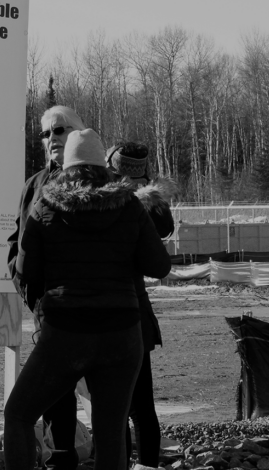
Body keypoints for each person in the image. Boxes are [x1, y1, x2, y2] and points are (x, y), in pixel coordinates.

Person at [4, 129, 172, 470]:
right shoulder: (130, 206)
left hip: (65, 334)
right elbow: (159, 266)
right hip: (122, 335)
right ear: (104, 165)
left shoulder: (45, 206)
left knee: (18, 415)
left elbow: (26, 270)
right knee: (112, 431)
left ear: (66, 166)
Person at [7, 105, 86, 469]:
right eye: (45, 133)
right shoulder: (35, 184)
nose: (51, 138)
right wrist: (26, 287)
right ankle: (61, 457)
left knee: (111, 396)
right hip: (47, 306)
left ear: (79, 133)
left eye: (59, 130)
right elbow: (17, 239)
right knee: (56, 391)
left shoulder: (97, 182)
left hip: (96, 307)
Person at [106, 141, 177, 468]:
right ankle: (146, 464)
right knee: (141, 406)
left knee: (114, 409)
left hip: (105, 314)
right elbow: (160, 259)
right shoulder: (150, 206)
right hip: (136, 312)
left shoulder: (108, 201)